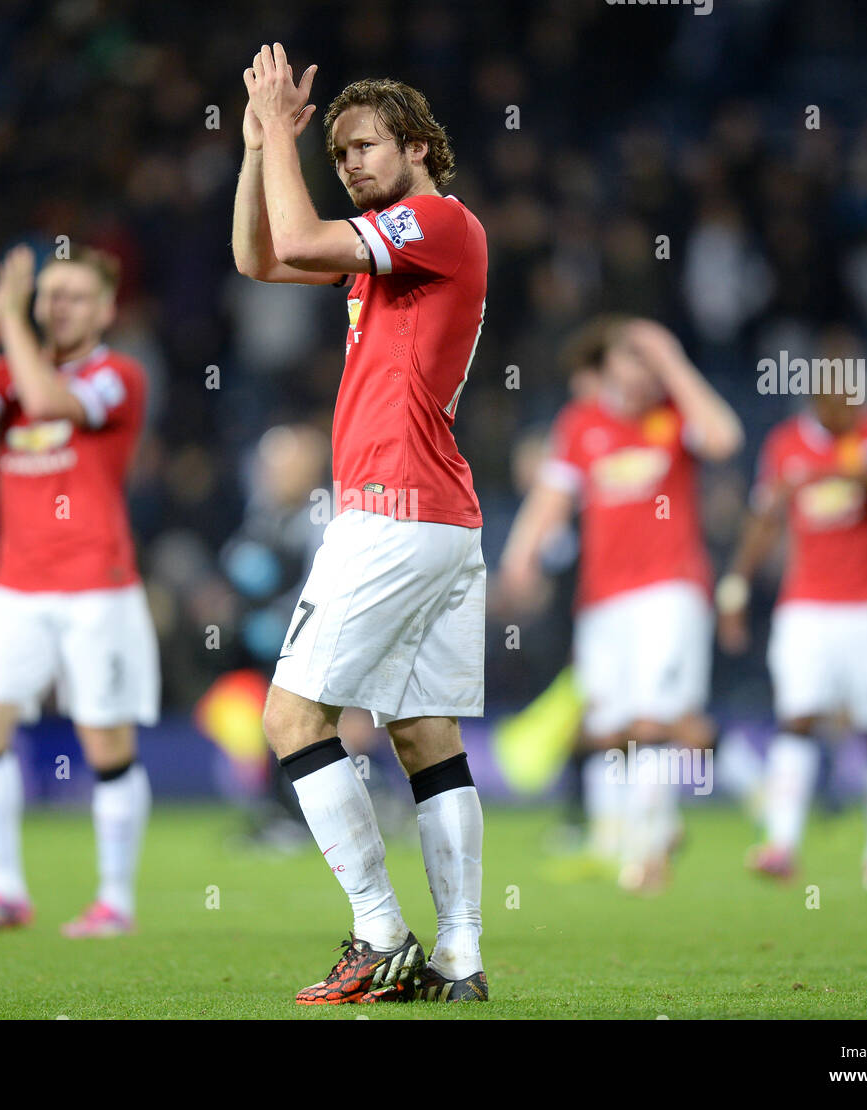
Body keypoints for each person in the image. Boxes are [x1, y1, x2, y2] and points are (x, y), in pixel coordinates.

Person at [235, 44, 488, 1002]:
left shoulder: (437, 222)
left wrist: (274, 138)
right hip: (437, 518)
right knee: (425, 736)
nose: (347, 164)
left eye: (362, 146)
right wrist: (263, 144)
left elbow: (294, 242)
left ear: (419, 147)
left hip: (391, 512)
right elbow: (260, 255)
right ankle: (460, 959)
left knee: (292, 718)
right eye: (335, 153)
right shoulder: (393, 249)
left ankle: (380, 932)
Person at [0, 245, 160, 937]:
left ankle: (115, 899)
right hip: (17, 584)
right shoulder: (8, 370)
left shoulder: (119, 375)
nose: (58, 306)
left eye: (74, 296)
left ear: (105, 308)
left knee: (105, 741)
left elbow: (49, 400)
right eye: (49, 295)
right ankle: (4, 890)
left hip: (98, 584)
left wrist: (14, 330)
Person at [500, 316, 742, 892]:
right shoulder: (582, 424)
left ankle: (650, 848)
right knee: (608, 725)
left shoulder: (676, 416)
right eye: (631, 359)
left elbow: (725, 439)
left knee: (654, 717)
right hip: (603, 600)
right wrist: (519, 561)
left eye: (648, 360)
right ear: (607, 368)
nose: (641, 371)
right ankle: (615, 839)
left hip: (671, 590)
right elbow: (550, 500)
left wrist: (675, 362)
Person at [718, 378, 867, 889]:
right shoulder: (785, 444)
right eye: (840, 401)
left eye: (856, 398)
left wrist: (813, 475)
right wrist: (735, 585)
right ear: (818, 402)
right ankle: (782, 844)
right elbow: (765, 519)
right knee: (797, 718)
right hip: (805, 607)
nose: (852, 409)